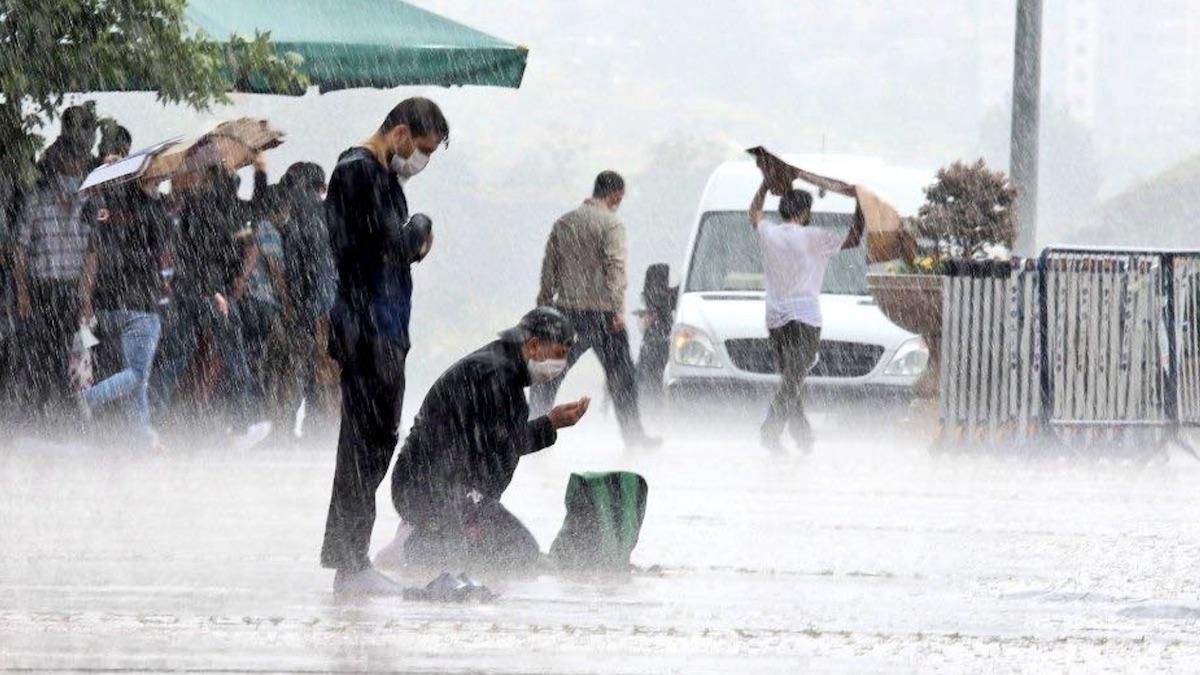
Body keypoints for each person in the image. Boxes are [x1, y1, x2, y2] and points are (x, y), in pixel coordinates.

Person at [320, 97, 446, 595]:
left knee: (377, 440)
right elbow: (387, 246)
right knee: (363, 444)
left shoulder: (384, 178)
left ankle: (354, 558)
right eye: (422, 149)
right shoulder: (357, 173)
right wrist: (421, 230)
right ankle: (349, 563)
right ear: (399, 133)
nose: (422, 161)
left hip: (386, 328)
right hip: (366, 328)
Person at [391, 307, 591, 573]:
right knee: (521, 552)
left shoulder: (501, 368)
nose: (561, 365)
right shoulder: (495, 377)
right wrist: (550, 423)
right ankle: (418, 544)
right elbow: (501, 446)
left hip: (432, 485)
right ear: (533, 346)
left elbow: (496, 443)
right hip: (431, 488)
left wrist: (550, 424)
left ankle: (433, 531)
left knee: (514, 551)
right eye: (560, 354)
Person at [532, 171, 659, 450]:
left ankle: (532, 428)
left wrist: (543, 306)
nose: (619, 203)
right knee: (622, 377)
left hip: (566, 313)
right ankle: (634, 436)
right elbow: (614, 266)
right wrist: (616, 309)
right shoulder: (611, 225)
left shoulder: (565, 223)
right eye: (620, 198)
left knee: (549, 375)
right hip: (603, 314)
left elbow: (549, 268)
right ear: (614, 194)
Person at [748, 166, 865, 453]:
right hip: (806, 319)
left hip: (775, 319)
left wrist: (765, 184)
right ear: (805, 212)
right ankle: (771, 431)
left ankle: (802, 435)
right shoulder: (815, 236)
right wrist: (861, 205)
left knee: (790, 376)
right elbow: (853, 238)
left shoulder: (770, 234)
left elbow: (754, 213)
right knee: (794, 378)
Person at [154, 157, 264, 445]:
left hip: (186, 292)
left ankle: (151, 420)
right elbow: (256, 224)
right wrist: (261, 171)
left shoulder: (192, 205)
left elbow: (185, 251)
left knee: (175, 358)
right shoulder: (234, 212)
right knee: (234, 356)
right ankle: (242, 421)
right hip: (216, 296)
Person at [77, 175, 170, 449]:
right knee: (138, 374)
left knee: (135, 383)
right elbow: (165, 241)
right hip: (140, 305)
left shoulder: (106, 209)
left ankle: (141, 440)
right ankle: (89, 398)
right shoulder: (152, 209)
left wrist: (86, 300)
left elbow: (91, 252)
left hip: (108, 306)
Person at [13, 142, 93, 421]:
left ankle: (66, 413)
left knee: (71, 353)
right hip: (40, 289)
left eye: (79, 162)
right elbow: (20, 248)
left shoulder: (89, 203)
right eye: (70, 161)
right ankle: (34, 410)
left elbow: (92, 254)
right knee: (37, 351)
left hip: (70, 288)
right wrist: (22, 291)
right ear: (57, 164)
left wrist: (85, 297)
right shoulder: (36, 198)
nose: (75, 167)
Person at [278, 162, 337, 442]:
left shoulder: (295, 221)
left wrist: (295, 307)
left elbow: (295, 269)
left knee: (297, 371)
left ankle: (285, 431)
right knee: (329, 374)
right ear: (322, 188)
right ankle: (322, 432)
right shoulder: (339, 217)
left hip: (309, 309)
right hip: (340, 307)